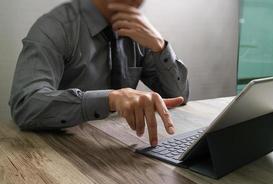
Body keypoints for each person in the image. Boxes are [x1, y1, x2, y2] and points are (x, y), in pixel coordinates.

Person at [9, 0, 189, 146]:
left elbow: (178, 96)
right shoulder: (55, 27)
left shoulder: (138, 30)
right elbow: (25, 106)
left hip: (120, 148)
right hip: (58, 152)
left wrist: (160, 46)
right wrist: (110, 99)